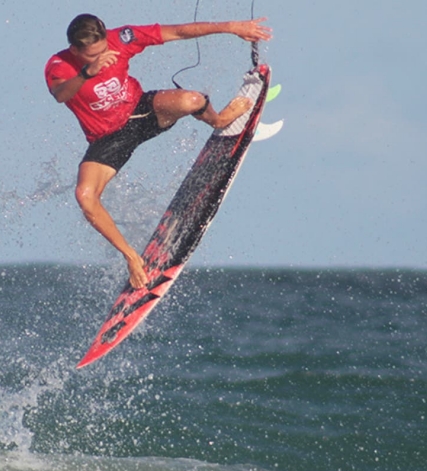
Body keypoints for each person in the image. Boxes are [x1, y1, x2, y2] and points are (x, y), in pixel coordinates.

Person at [45, 14, 273, 289]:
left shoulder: (122, 38)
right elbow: (61, 94)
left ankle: (219, 120)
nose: (103, 56)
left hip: (143, 111)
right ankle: (131, 257)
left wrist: (232, 28)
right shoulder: (60, 65)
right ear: (75, 51)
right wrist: (86, 73)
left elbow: (178, 31)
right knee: (85, 196)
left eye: (104, 49)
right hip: (108, 139)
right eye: (93, 55)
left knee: (192, 100)